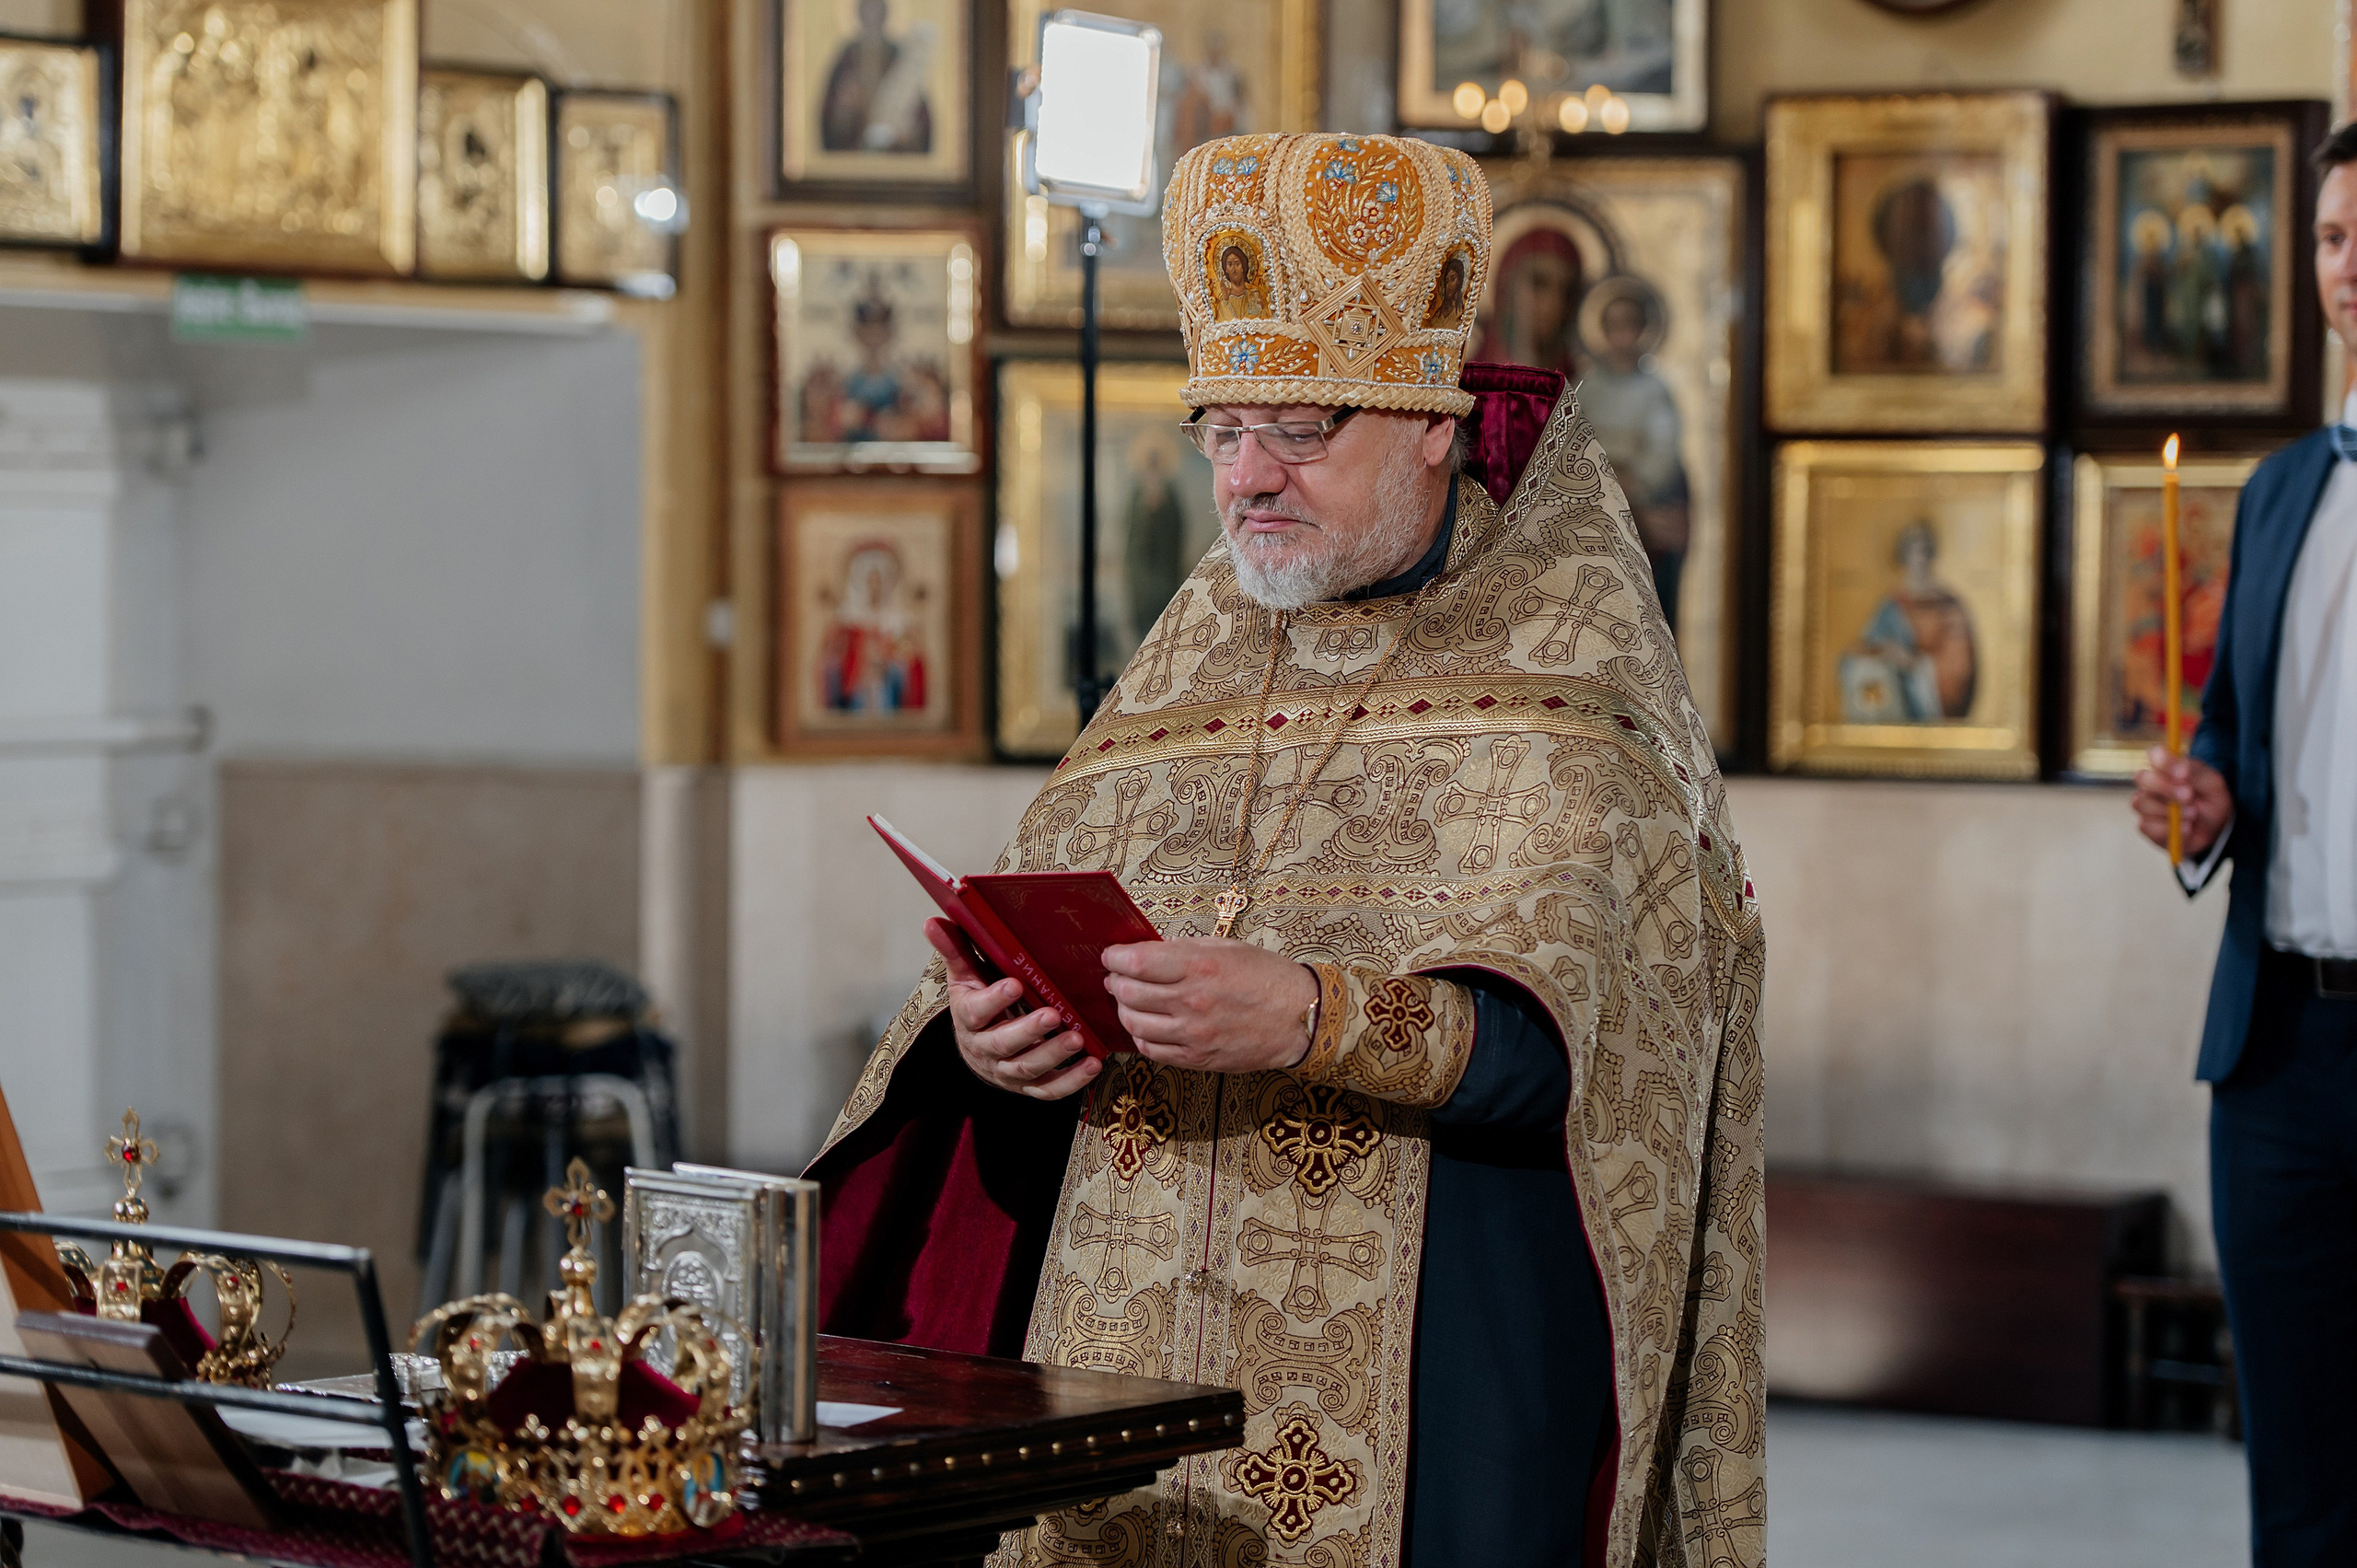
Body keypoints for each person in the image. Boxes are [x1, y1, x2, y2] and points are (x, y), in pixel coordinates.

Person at [808, 132, 1764, 1568]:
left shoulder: (1572, 677)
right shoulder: (1193, 654)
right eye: (1221, 428)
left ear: (1433, 421)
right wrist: (991, 1045)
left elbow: (1612, 1060)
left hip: (1437, 1379)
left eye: (1301, 430)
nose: (1247, 477)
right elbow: (1035, 985)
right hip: (1119, 1348)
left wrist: (1317, 1017)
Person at [2131, 120, 2357, 1567]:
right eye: (2334, 238)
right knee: (2299, 1468)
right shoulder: (2281, 492)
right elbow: (2228, 731)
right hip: (2278, 1047)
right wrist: (2203, 801)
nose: (2351, 266)